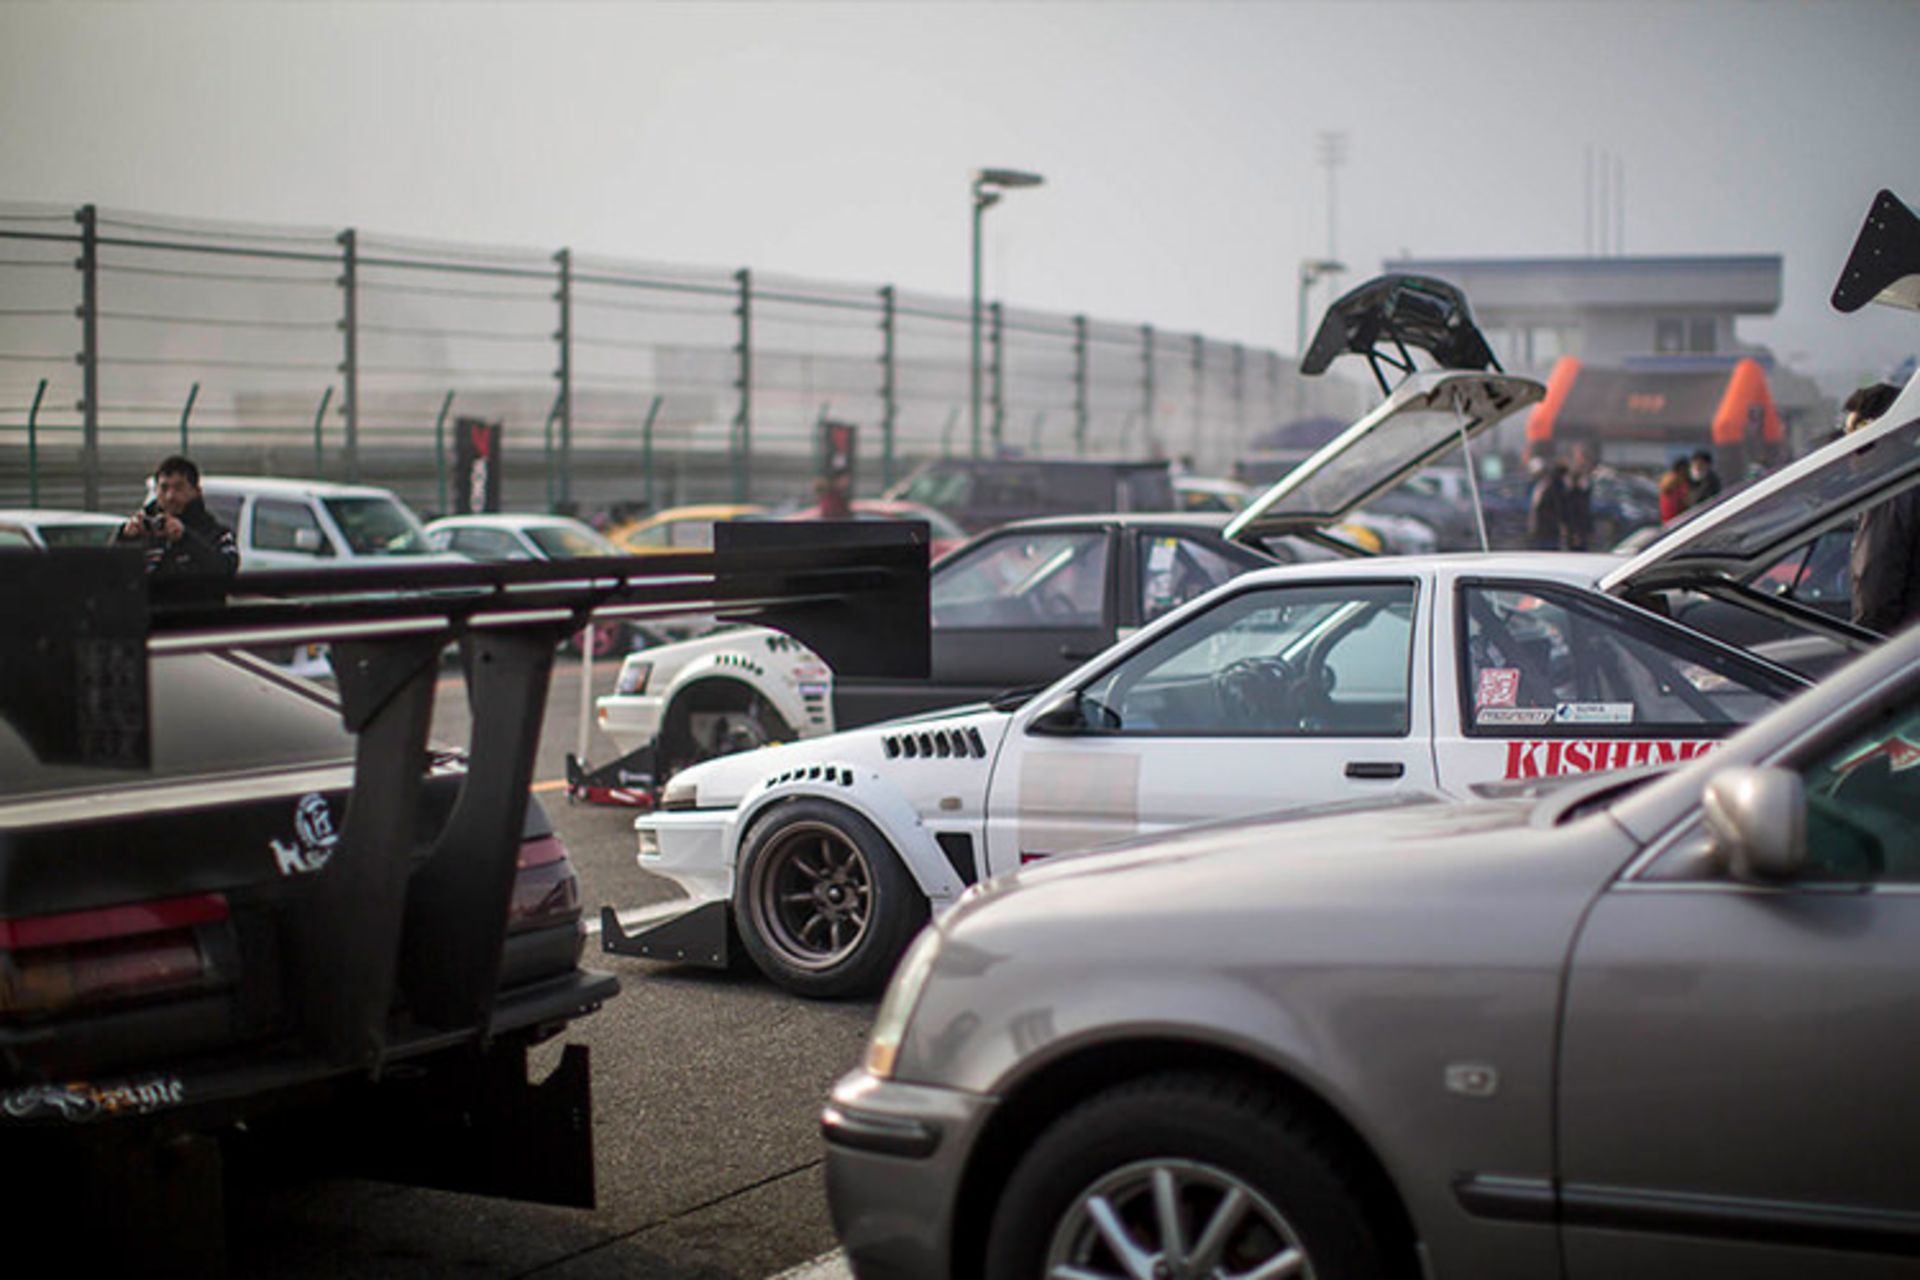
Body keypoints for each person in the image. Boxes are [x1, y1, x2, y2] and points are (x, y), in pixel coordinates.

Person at [1844, 382, 1920, 634]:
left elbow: (1875, 597)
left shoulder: (1889, 493)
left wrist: (1864, 653)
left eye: (1856, 439)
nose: (1849, 453)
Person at [116, 454, 239, 594]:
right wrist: (124, 540)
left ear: (196, 492)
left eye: (179, 488)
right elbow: (112, 577)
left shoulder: (218, 535)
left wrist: (186, 538)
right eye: (164, 488)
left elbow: (225, 572)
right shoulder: (143, 532)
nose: (170, 496)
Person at [1526, 461, 1569, 550]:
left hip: (1544, 526)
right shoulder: (1554, 487)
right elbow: (1558, 507)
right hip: (1548, 527)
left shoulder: (1543, 486)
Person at [1563, 444, 1595, 551]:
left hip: (1581, 518)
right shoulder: (1570, 476)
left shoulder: (1585, 475)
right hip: (1572, 518)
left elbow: (1585, 492)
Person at [1658, 456, 1692, 524]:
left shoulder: (1670, 480)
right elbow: (1685, 502)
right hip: (1673, 521)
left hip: (1670, 520)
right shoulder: (1674, 482)